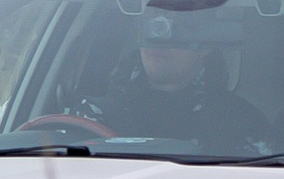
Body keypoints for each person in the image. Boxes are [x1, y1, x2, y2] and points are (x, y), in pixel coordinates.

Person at [97, 18, 269, 150]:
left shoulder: (240, 122)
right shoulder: (95, 113)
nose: (160, 41)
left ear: (205, 47)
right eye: (154, 29)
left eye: (178, 32)